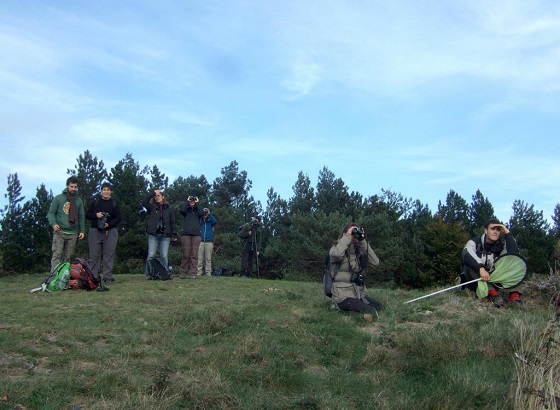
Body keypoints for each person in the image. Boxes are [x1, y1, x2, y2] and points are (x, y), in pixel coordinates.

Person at [461, 218, 523, 307]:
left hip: (494, 278)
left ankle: (515, 298)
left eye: (498, 230)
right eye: (492, 229)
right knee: (469, 265)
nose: (495, 232)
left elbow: (514, 255)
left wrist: (507, 233)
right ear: (486, 231)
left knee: (513, 267)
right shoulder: (475, 242)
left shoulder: (501, 247)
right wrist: (480, 268)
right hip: (476, 279)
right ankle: (494, 295)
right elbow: (467, 253)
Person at [329, 223, 384, 313]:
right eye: (352, 233)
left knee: (381, 308)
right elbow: (337, 255)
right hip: (342, 296)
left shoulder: (358, 251)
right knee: (371, 311)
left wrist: (362, 240)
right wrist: (348, 236)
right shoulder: (335, 249)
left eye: (356, 234)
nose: (354, 236)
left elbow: (375, 262)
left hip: (358, 293)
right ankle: (336, 306)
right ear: (344, 234)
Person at [85, 182, 122, 284]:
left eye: (108, 190)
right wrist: (96, 215)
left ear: (111, 192)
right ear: (101, 191)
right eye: (104, 189)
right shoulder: (95, 202)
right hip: (95, 231)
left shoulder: (114, 204)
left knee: (108, 255)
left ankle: (107, 277)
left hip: (110, 231)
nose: (106, 192)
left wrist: (108, 225)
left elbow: (119, 218)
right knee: (94, 255)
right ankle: (94, 277)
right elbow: (87, 215)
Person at [47, 176, 86, 271]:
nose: (73, 189)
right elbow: (51, 213)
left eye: (75, 187)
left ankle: (64, 279)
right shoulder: (59, 198)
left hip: (73, 233)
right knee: (57, 255)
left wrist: (82, 230)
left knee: (67, 258)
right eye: (71, 186)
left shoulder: (78, 200)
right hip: (60, 232)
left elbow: (81, 216)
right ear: (67, 186)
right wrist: (53, 223)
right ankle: (54, 279)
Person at [142, 189, 177, 274]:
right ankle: (149, 273)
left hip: (165, 235)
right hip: (153, 234)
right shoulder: (152, 207)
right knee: (151, 255)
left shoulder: (168, 208)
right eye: (156, 196)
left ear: (163, 197)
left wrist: (174, 234)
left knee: (164, 256)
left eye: (159, 196)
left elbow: (172, 221)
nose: (157, 197)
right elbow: (144, 202)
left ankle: (165, 273)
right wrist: (152, 193)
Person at [180, 195, 205, 279]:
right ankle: (183, 272)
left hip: (196, 235)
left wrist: (197, 203)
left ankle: (193, 273)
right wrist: (187, 201)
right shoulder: (186, 211)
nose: (192, 202)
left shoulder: (198, 212)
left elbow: (202, 212)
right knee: (186, 254)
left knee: (194, 254)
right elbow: (182, 210)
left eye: (193, 201)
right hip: (186, 234)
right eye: (191, 201)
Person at [197, 208, 217, 277]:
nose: (205, 214)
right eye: (204, 212)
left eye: (206, 212)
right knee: (200, 258)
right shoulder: (201, 221)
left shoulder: (210, 222)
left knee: (208, 259)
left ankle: (208, 273)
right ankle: (199, 272)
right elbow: (197, 221)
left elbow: (215, 221)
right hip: (201, 241)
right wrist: (202, 215)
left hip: (209, 242)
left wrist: (209, 213)